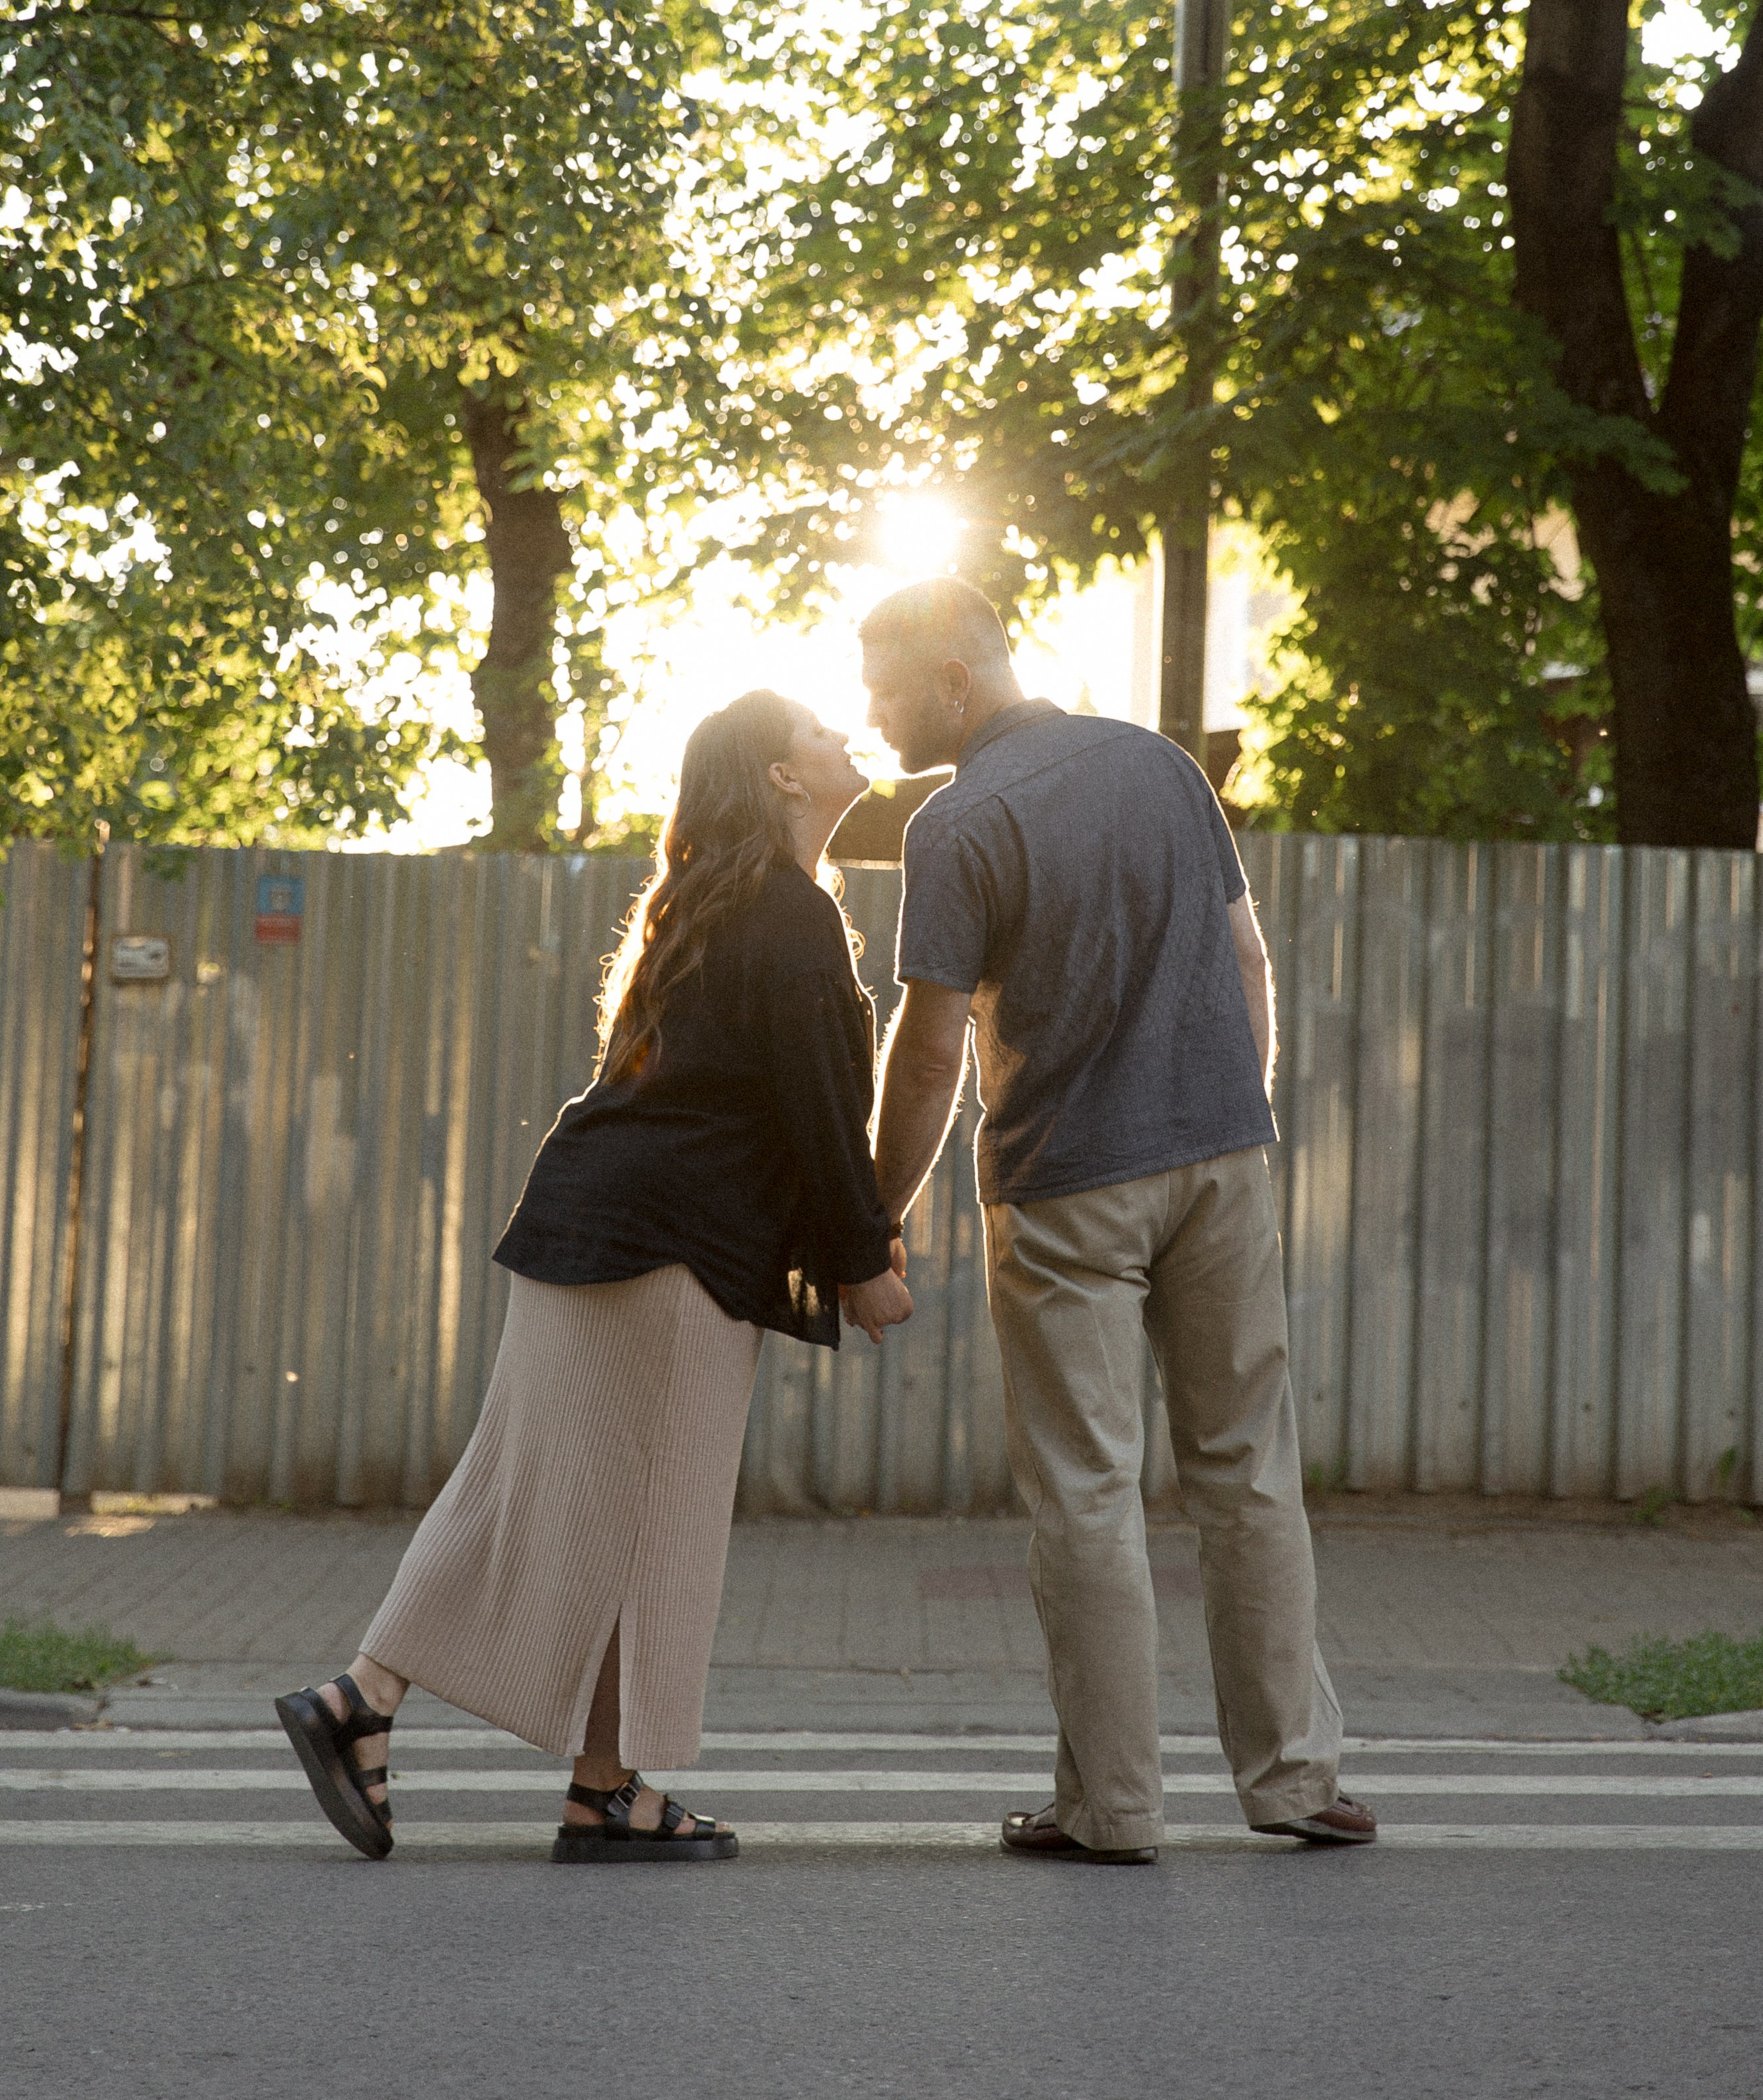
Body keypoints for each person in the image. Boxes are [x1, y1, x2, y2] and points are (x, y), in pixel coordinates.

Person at [277, 690, 912, 1863]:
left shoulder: (700, 906)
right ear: (779, 775)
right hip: (670, 1252)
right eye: (820, 729)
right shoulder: (790, 912)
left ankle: (380, 1706)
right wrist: (862, 1261)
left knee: (514, 1487)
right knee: (653, 1520)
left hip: (582, 1228)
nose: (845, 739)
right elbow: (818, 1109)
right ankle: (591, 1782)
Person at [860, 578, 1375, 1864]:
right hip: (1220, 1164)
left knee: (1088, 1493)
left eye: (884, 687)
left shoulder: (958, 820)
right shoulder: (1161, 767)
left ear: (956, 685)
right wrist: (1230, 1123)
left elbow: (928, 1060)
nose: (869, 713)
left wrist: (875, 1212)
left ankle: (1115, 1811)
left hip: (1066, 1183)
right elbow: (1247, 958)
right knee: (1249, 1471)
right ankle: (1297, 1782)